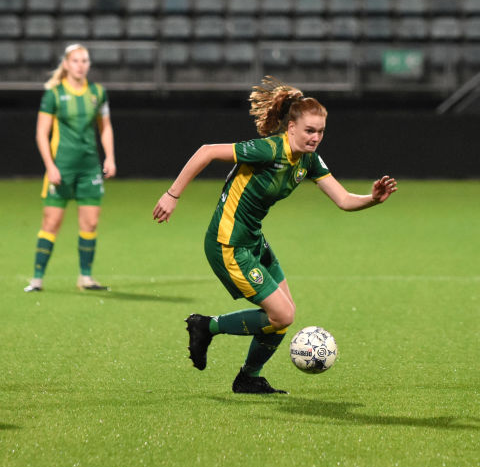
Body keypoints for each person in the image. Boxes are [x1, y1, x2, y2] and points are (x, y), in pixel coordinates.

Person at [152, 77, 397, 394]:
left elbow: (343, 200)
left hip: (253, 240)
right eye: (309, 130)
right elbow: (207, 151)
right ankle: (206, 326)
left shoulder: (308, 160)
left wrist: (373, 199)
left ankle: (248, 378)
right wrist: (173, 195)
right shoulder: (268, 150)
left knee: (283, 314)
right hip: (227, 243)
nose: (315, 138)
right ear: (291, 127)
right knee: (282, 314)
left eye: (320, 132)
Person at [25, 43, 116, 292]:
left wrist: (109, 157)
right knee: (51, 222)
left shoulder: (97, 92)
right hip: (62, 168)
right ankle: (37, 279)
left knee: (91, 223)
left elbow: (105, 127)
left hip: (89, 168)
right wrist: (50, 166)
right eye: (76, 61)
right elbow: (41, 134)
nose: (81, 65)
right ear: (66, 64)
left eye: (85, 61)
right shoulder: (53, 94)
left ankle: (85, 278)